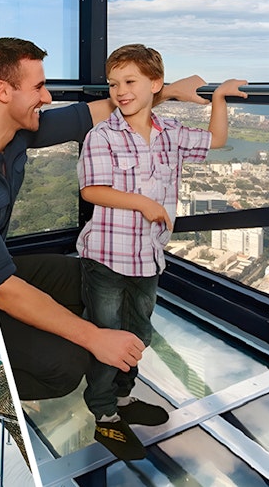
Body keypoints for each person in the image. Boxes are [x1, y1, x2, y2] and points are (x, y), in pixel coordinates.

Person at [0, 37, 207, 403]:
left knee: (89, 276)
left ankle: (40, 338)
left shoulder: (17, 132)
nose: (48, 97)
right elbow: (1, 287)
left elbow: (99, 113)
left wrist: (167, 91)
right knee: (66, 367)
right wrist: (93, 337)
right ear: (3, 91)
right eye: (38, 87)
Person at [77, 44, 247, 460]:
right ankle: (104, 416)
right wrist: (144, 204)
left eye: (130, 82)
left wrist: (219, 98)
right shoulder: (102, 135)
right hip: (106, 258)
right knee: (109, 338)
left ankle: (122, 399)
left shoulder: (170, 132)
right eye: (114, 84)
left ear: (156, 85)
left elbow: (218, 139)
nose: (120, 91)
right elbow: (92, 190)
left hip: (148, 258)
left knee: (138, 335)